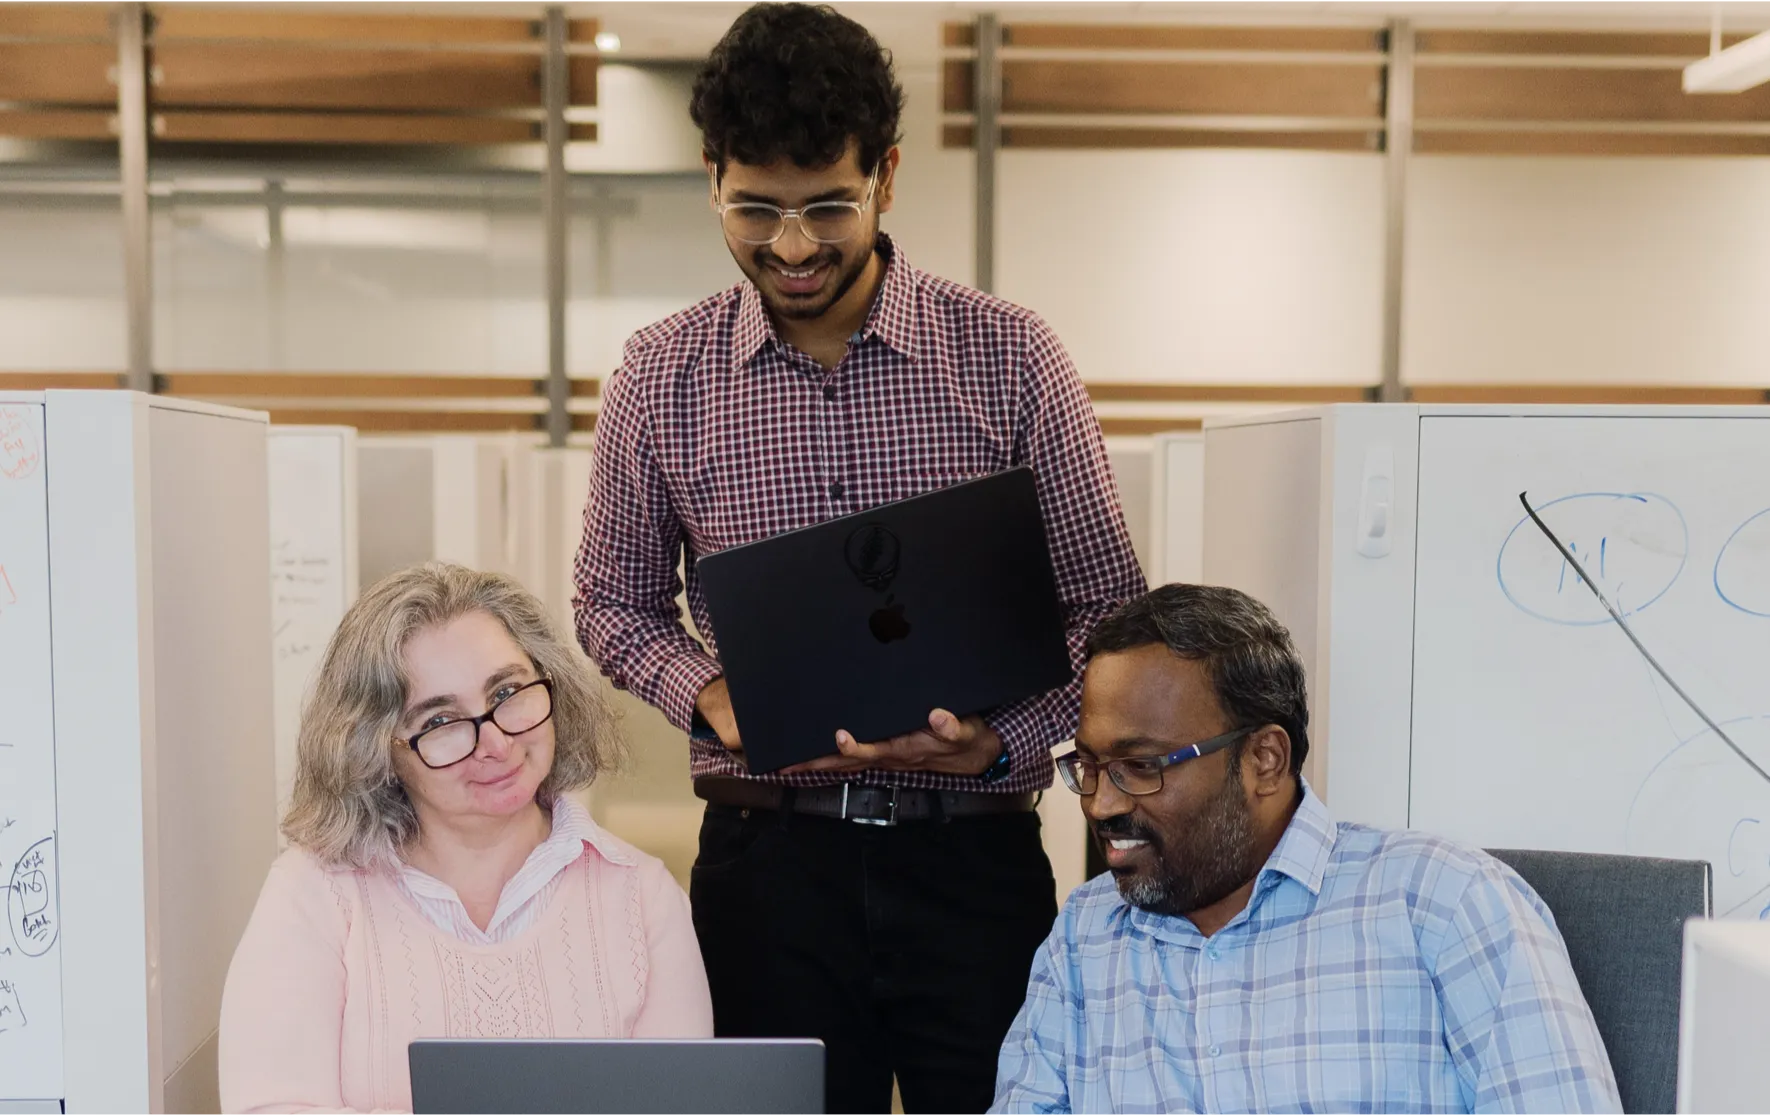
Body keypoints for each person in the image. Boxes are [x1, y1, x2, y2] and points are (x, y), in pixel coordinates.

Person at [572, 4, 1144, 1112]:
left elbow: (1106, 611)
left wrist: (997, 745)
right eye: (756, 210)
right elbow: (612, 603)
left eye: (828, 206)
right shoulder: (661, 376)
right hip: (769, 870)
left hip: (971, 864)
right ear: (710, 179)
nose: (792, 247)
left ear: (887, 174)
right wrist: (717, 696)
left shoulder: (1010, 356)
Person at [991, 584, 1623, 1116]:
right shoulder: (1086, 935)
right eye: (1091, 766)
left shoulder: (1444, 903)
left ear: (1264, 759)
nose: (1101, 804)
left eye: (1140, 765)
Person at [220, 564, 712, 1116]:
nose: (496, 742)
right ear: (378, 750)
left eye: (506, 691)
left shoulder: (643, 897)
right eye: (440, 721)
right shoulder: (312, 895)